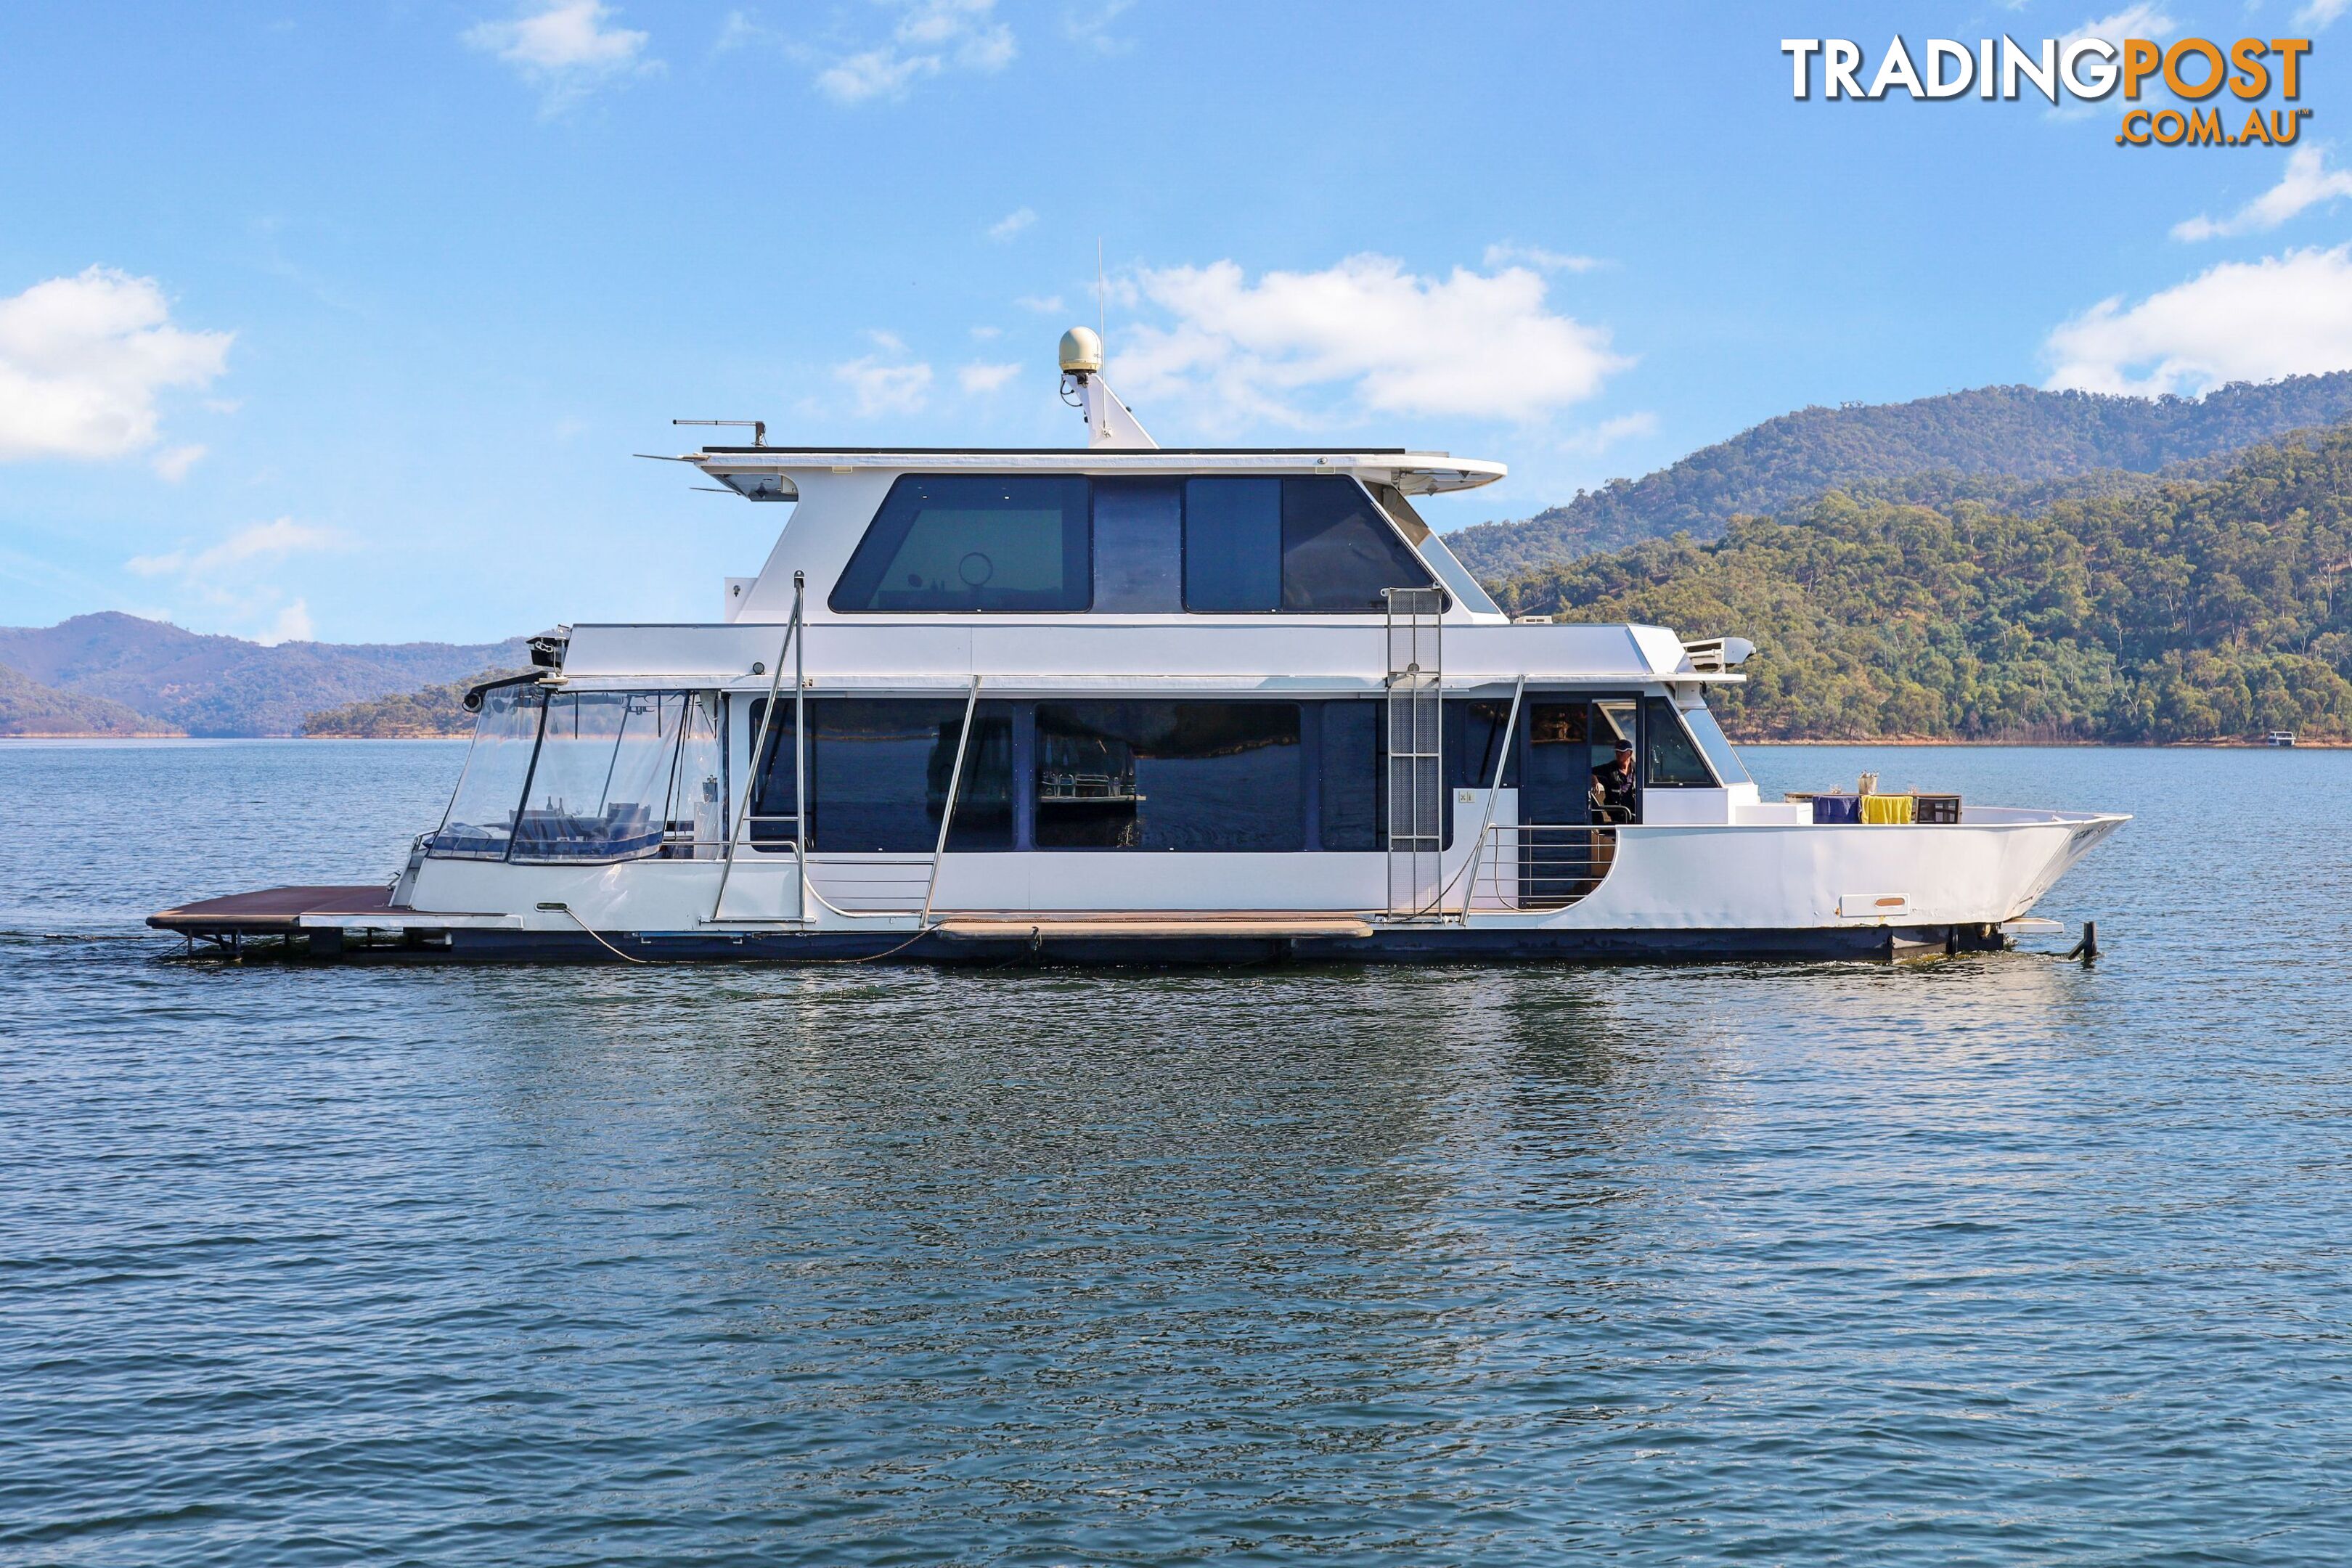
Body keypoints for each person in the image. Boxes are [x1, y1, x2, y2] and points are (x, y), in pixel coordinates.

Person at [1591, 738, 1639, 822]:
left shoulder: (1639, 769)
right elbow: (1589, 771)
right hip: (1617, 814)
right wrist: (1595, 781)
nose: (1619, 754)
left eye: (1622, 752)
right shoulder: (1609, 769)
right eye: (1617, 752)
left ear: (1630, 753)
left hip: (1636, 813)